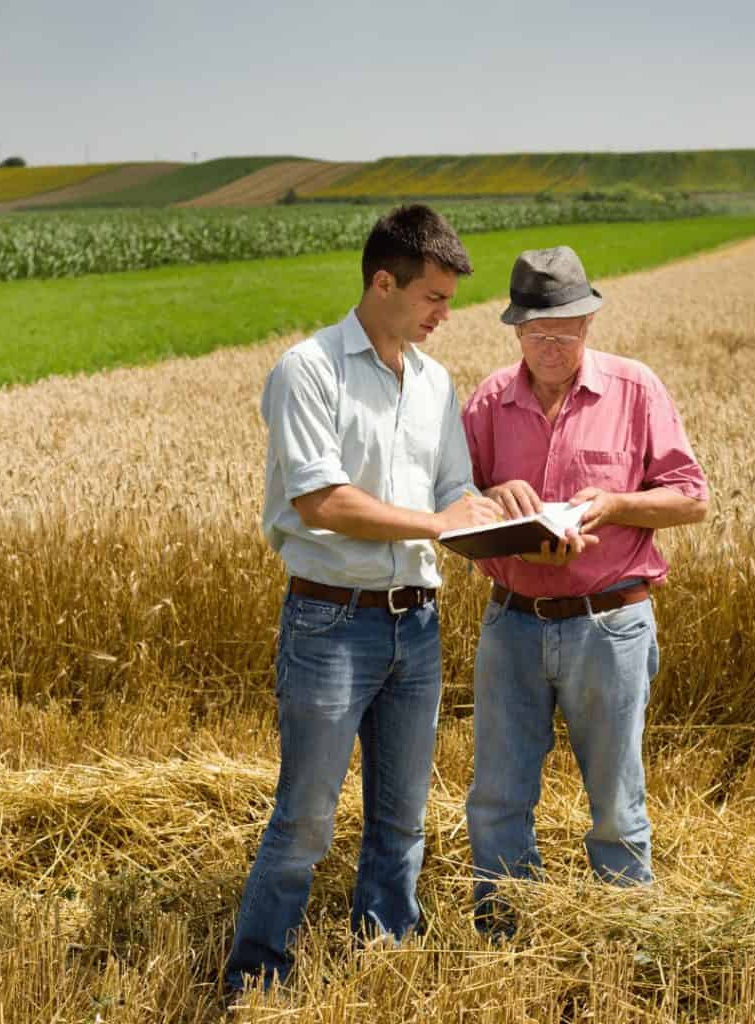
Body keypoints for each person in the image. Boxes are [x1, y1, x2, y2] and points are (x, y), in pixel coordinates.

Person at [225, 204, 500, 992]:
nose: (446, 314)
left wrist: (490, 509)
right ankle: (258, 978)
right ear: (384, 282)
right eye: (434, 299)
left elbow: (452, 487)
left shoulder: (436, 381)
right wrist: (439, 521)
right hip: (329, 622)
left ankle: (383, 956)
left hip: (417, 623)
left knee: (402, 817)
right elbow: (322, 502)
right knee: (306, 819)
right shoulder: (308, 370)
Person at [461, 245, 709, 930]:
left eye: (565, 328)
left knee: (616, 801)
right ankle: (505, 931)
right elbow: (448, 498)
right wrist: (489, 492)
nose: (551, 343)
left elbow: (691, 499)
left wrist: (615, 504)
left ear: (590, 320)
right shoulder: (487, 401)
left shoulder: (635, 390)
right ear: (515, 329)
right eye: (537, 330)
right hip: (511, 622)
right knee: (498, 795)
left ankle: (625, 940)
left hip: (610, 623)